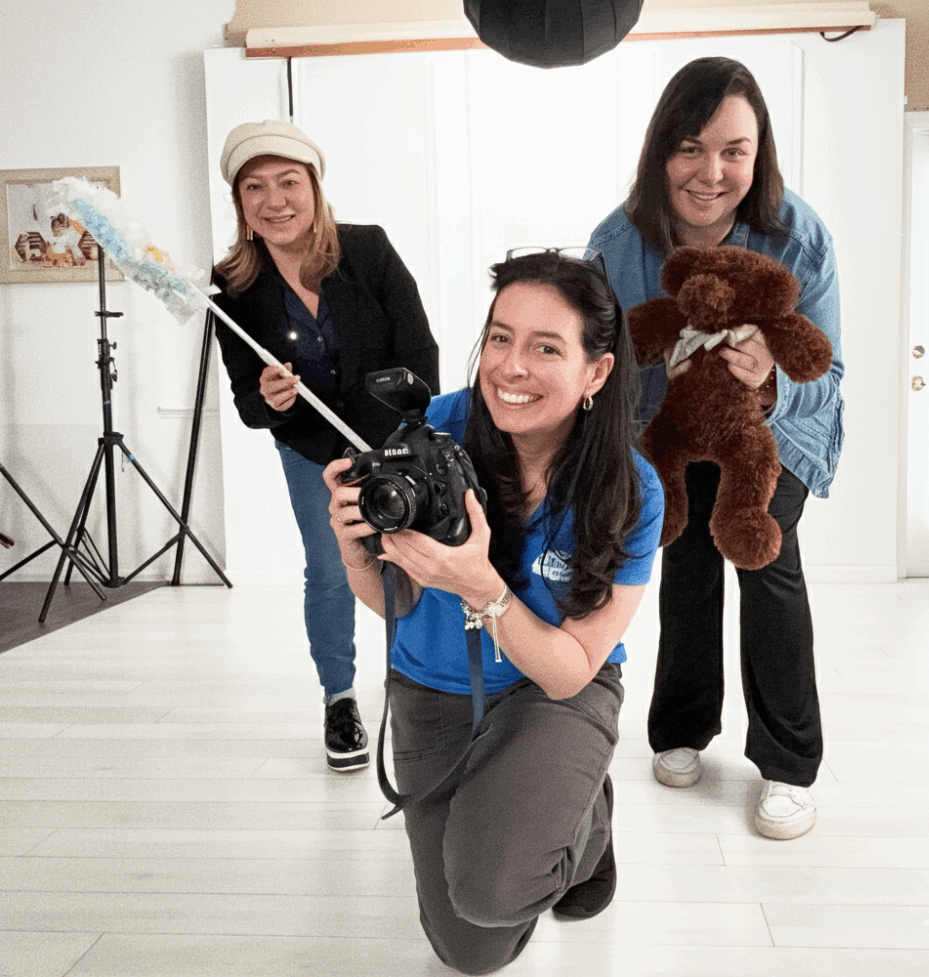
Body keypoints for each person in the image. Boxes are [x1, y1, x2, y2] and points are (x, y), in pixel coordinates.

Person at [324, 249, 664, 974]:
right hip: (429, 686)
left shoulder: (630, 489)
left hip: (550, 690)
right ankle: (549, 807)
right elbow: (391, 599)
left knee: (491, 889)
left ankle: (584, 812)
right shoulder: (431, 434)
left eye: (547, 348)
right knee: (472, 950)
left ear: (596, 371)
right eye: (501, 338)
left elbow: (572, 669)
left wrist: (481, 587)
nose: (511, 367)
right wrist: (355, 547)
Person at [589, 57, 844, 840]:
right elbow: (596, 369)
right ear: (661, 150)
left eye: (734, 150)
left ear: (758, 154)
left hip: (772, 434)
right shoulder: (617, 240)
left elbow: (829, 372)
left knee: (765, 563)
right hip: (666, 431)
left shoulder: (798, 235)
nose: (711, 172)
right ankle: (680, 730)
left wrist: (771, 383)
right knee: (687, 564)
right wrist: (647, 375)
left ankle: (789, 765)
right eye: (691, 148)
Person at [213, 120, 439, 772]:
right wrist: (269, 398)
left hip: (392, 440)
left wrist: (393, 435)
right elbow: (248, 404)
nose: (275, 199)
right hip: (311, 452)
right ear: (240, 203)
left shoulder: (367, 250)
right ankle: (340, 698)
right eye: (255, 186)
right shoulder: (231, 286)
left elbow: (420, 352)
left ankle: (420, 679)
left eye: (289, 182)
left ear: (315, 189)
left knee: (411, 556)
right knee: (333, 570)